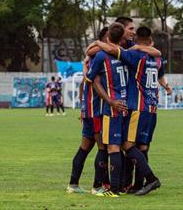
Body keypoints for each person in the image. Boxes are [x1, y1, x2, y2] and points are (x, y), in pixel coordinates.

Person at [91, 26, 172, 195]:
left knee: (126, 145)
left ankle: (150, 179)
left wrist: (99, 41)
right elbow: (159, 65)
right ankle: (139, 184)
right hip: (152, 109)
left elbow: (112, 49)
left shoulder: (135, 55)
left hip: (138, 108)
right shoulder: (156, 59)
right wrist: (166, 86)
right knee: (142, 147)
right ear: (151, 41)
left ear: (137, 42)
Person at [67, 27, 111, 195]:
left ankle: (73, 184)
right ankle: (97, 186)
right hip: (96, 111)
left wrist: (82, 106)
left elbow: (82, 84)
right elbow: (89, 80)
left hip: (89, 111)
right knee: (103, 147)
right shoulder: (99, 57)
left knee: (85, 147)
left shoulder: (92, 58)